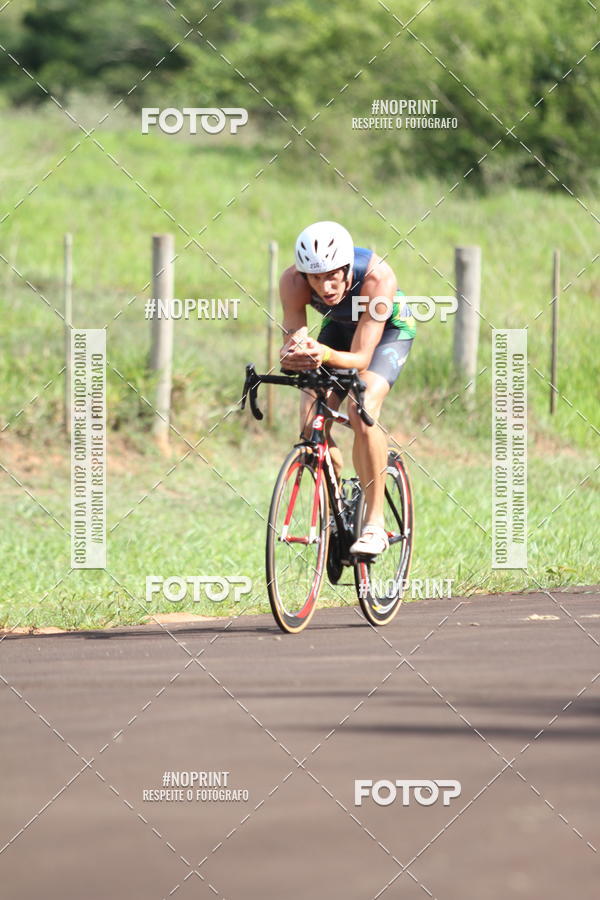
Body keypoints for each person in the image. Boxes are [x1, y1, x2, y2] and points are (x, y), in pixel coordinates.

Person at [278, 220, 415, 556]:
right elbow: (294, 337)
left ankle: (374, 524)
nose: (324, 287)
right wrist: (292, 354)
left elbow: (361, 357)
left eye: (332, 276)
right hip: (338, 330)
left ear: (345, 267)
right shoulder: (292, 282)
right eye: (315, 278)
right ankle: (336, 504)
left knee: (361, 406)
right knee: (311, 421)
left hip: (387, 334)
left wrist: (322, 353)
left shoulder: (377, 278)